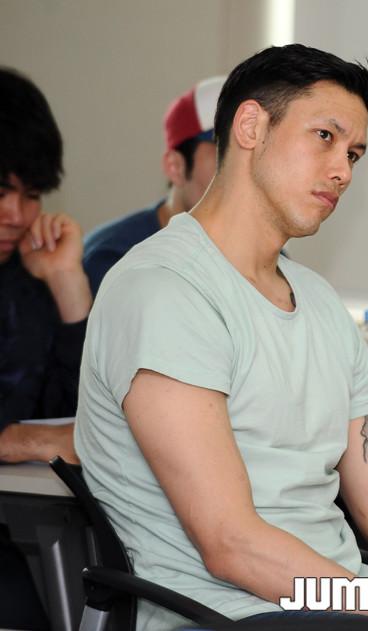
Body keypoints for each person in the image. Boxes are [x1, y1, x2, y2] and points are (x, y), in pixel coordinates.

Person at [74, 45, 368, 631]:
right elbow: (231, 543)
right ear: (250, 126)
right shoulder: (163, 290)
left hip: (342, 610)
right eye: (325, 137)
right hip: (230, 617)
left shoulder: (319, 302)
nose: (343, 171)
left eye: (354, 154)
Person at [0, 66, 92, 630]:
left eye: (31, 195)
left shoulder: (28, 280)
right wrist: (18, 439)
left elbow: (84, 409)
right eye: (0, 191)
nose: (17, 215)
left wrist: (66, 283)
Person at [83, 75, 226, 296]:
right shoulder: (113, 258)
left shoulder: (266, 257)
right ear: (175, 167)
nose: (243, 169)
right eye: (225, 151)